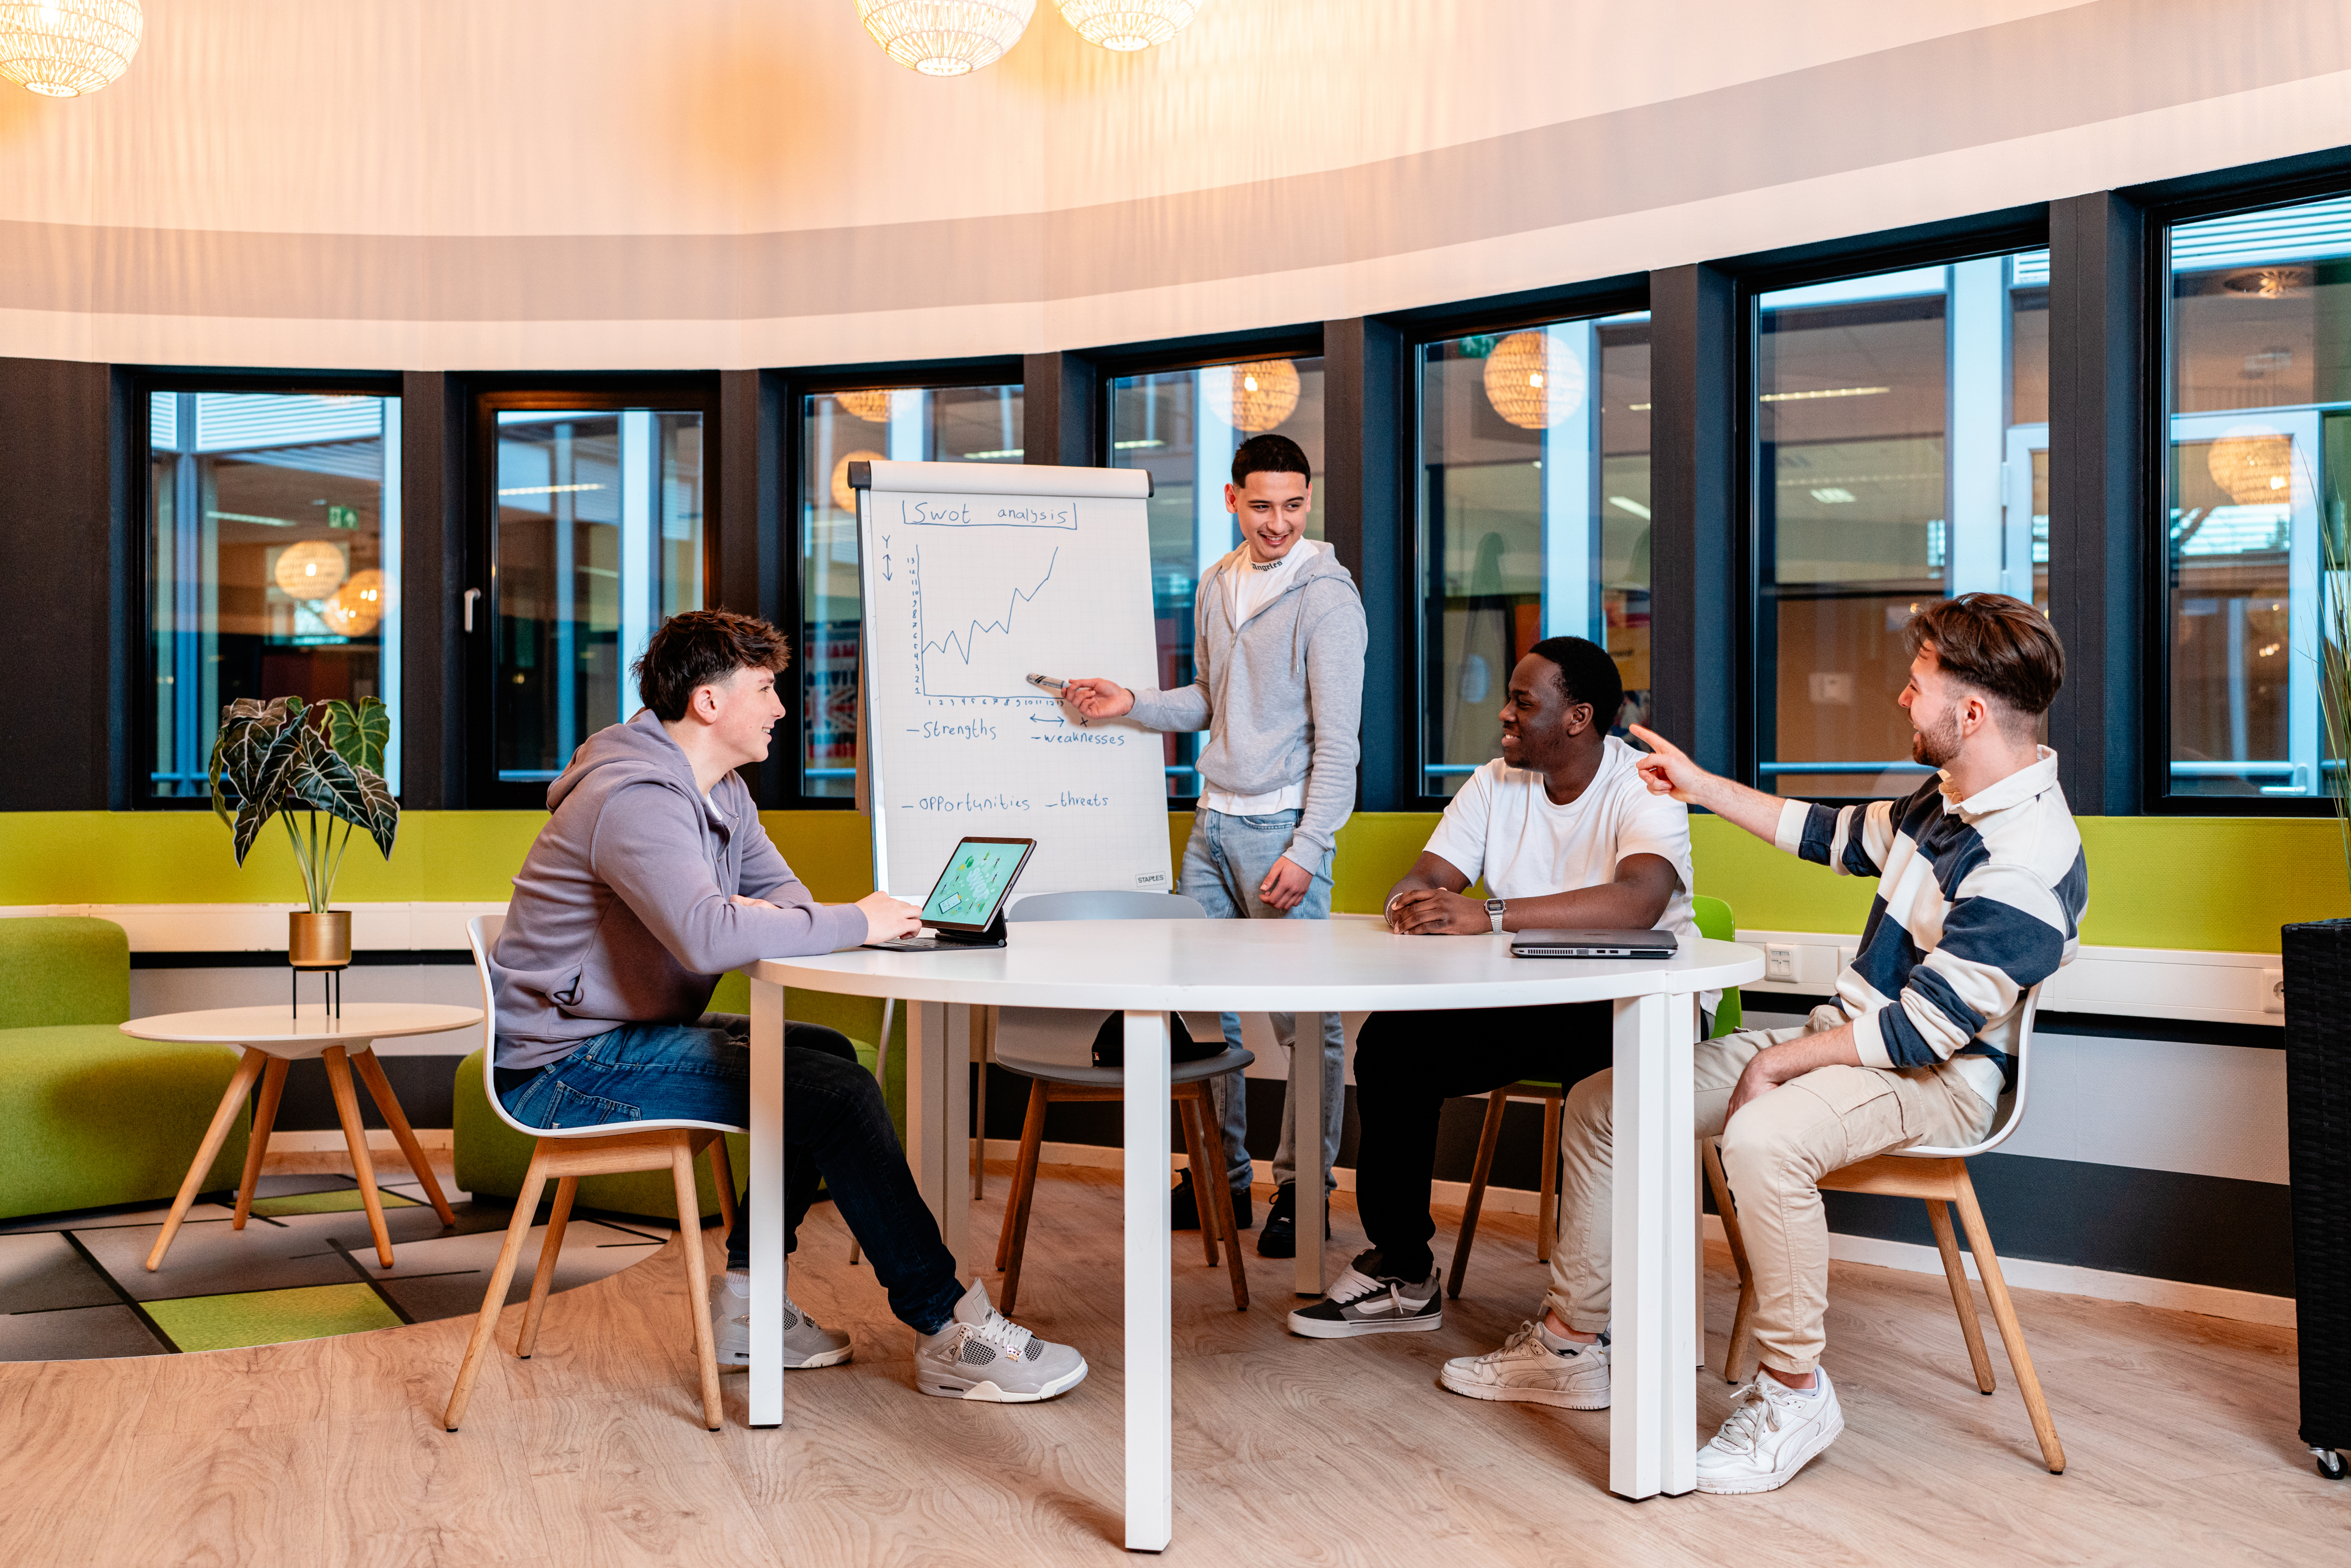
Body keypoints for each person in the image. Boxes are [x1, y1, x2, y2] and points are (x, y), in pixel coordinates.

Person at [1439, 592, 2081, 1496]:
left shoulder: (2026, 856)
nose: (1903, 700)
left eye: (1915, 685)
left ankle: (1794, 1391)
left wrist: (1778, 1061)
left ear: (1970, 714)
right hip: (1852, 1039)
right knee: (1604, 1104)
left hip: (1941, 1075)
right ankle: (1574, 1343)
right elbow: (1828, 834)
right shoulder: (1948, 803)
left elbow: (1919, 1031)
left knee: (1762, 1137)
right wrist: (1699, 787)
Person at [490, 609, 1088, 1403]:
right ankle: (947, 1329)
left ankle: (745, 1307)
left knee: (829, 1058)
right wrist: (854, 920)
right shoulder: (635, 796)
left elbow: (783, 902)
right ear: (708, 702)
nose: (781, 708)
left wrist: (811, 921)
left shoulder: (721, 791)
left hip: (627, 1031)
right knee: (833, 1097)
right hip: (563, 1065)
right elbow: (710, 939)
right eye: (766, 690)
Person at [1286, 635, 1702, 1338]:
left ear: (1578, 717)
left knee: (1599, 1090)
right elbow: (1426, 878)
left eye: (1522, 701)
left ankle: (1590, 1314)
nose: (1505, 715)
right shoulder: (1494, 783)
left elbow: (1638, 901)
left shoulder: (1643, 785)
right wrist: (1416, 902)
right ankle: (1402, 1272)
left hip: (1633, 1005)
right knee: (1393, 1044)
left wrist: (1490, 914)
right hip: (1528, 1004)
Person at [1063, 431, 1368, 1257]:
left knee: (1308, 1024)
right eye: (1262, 505)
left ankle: (1304, 1194)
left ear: (1310, 502)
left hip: (1281, 832)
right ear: (1233, 500)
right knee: (1207, 1015)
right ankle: (1218, 1182)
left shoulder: (1328, 599)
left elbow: (1340, 746)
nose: (1279, 523)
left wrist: (1308, 848)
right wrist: (1130, 701)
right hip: (1213, 824)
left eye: (1294, 506)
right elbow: (1209, 699)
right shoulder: (1216, 585)